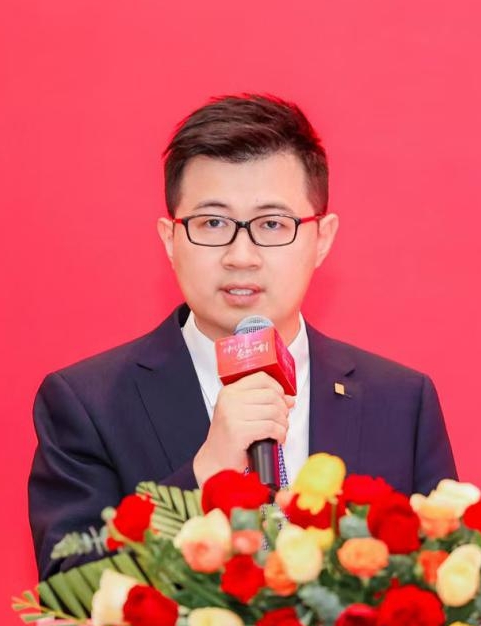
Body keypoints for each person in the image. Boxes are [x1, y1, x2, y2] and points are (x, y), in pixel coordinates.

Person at [28, 94, 457, 579]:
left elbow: (440, 585)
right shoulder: (89, 405)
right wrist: (205, 475)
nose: (241, 256)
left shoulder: (400, 402)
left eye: (272, 224)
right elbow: (70, 591)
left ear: (322, 239)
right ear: (170, 239)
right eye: (213, 223)